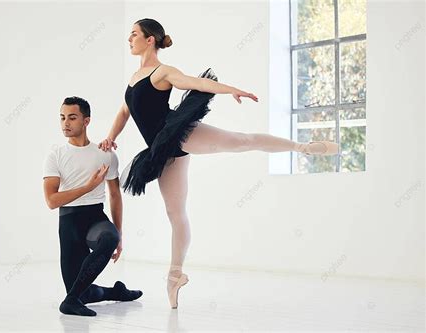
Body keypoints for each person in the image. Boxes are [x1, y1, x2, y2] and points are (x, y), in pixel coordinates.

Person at [98, 18, 339, 308]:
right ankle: (174, 276)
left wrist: (232, 89)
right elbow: (125, 111)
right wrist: (111, 136)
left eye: (134, 34)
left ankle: (304, 147)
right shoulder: (133, 79)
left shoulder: (163, 72)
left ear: (150, 40)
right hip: (162, 152)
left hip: (178, 133)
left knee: (241, 141)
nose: (130, 39)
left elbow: (197, 83)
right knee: (175, 213)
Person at [43, 96, 143, 316]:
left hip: (95, 218)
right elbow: (51, 201)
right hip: (68, 223)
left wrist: (119, 233)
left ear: (86, 121)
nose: (65, 123)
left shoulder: (105, 154)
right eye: (62, 118)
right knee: (82, 293)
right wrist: (88, 187)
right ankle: (116, 292)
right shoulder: (55, 155)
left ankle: (69, 302)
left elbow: (115, 195)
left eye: (72, 117)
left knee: (109, 237)